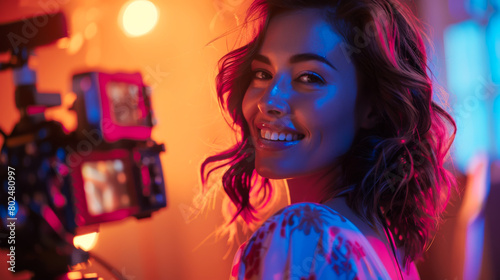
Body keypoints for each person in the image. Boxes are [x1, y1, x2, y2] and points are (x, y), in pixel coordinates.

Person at [200, 0, 456, 279]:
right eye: (262, 73)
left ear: (371, 109)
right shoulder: (392, 246)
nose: (269, 100)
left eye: (309, 78)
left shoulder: (300, 234)